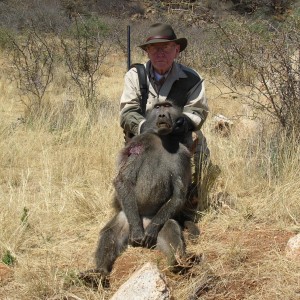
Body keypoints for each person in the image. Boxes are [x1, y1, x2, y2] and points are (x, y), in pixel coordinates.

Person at [119, 23, 213, 219]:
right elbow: (127, 112)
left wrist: (185, 122)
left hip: (177, 138)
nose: (160, 53)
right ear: (147, 52)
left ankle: (189, 193)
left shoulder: (191, 78)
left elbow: (198, 110)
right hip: (145, 137)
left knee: (198, 143)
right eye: (154, 48)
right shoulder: (135, 76)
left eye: (166, 47)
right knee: (128, 168)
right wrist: (145, 126)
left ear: (176, 50)